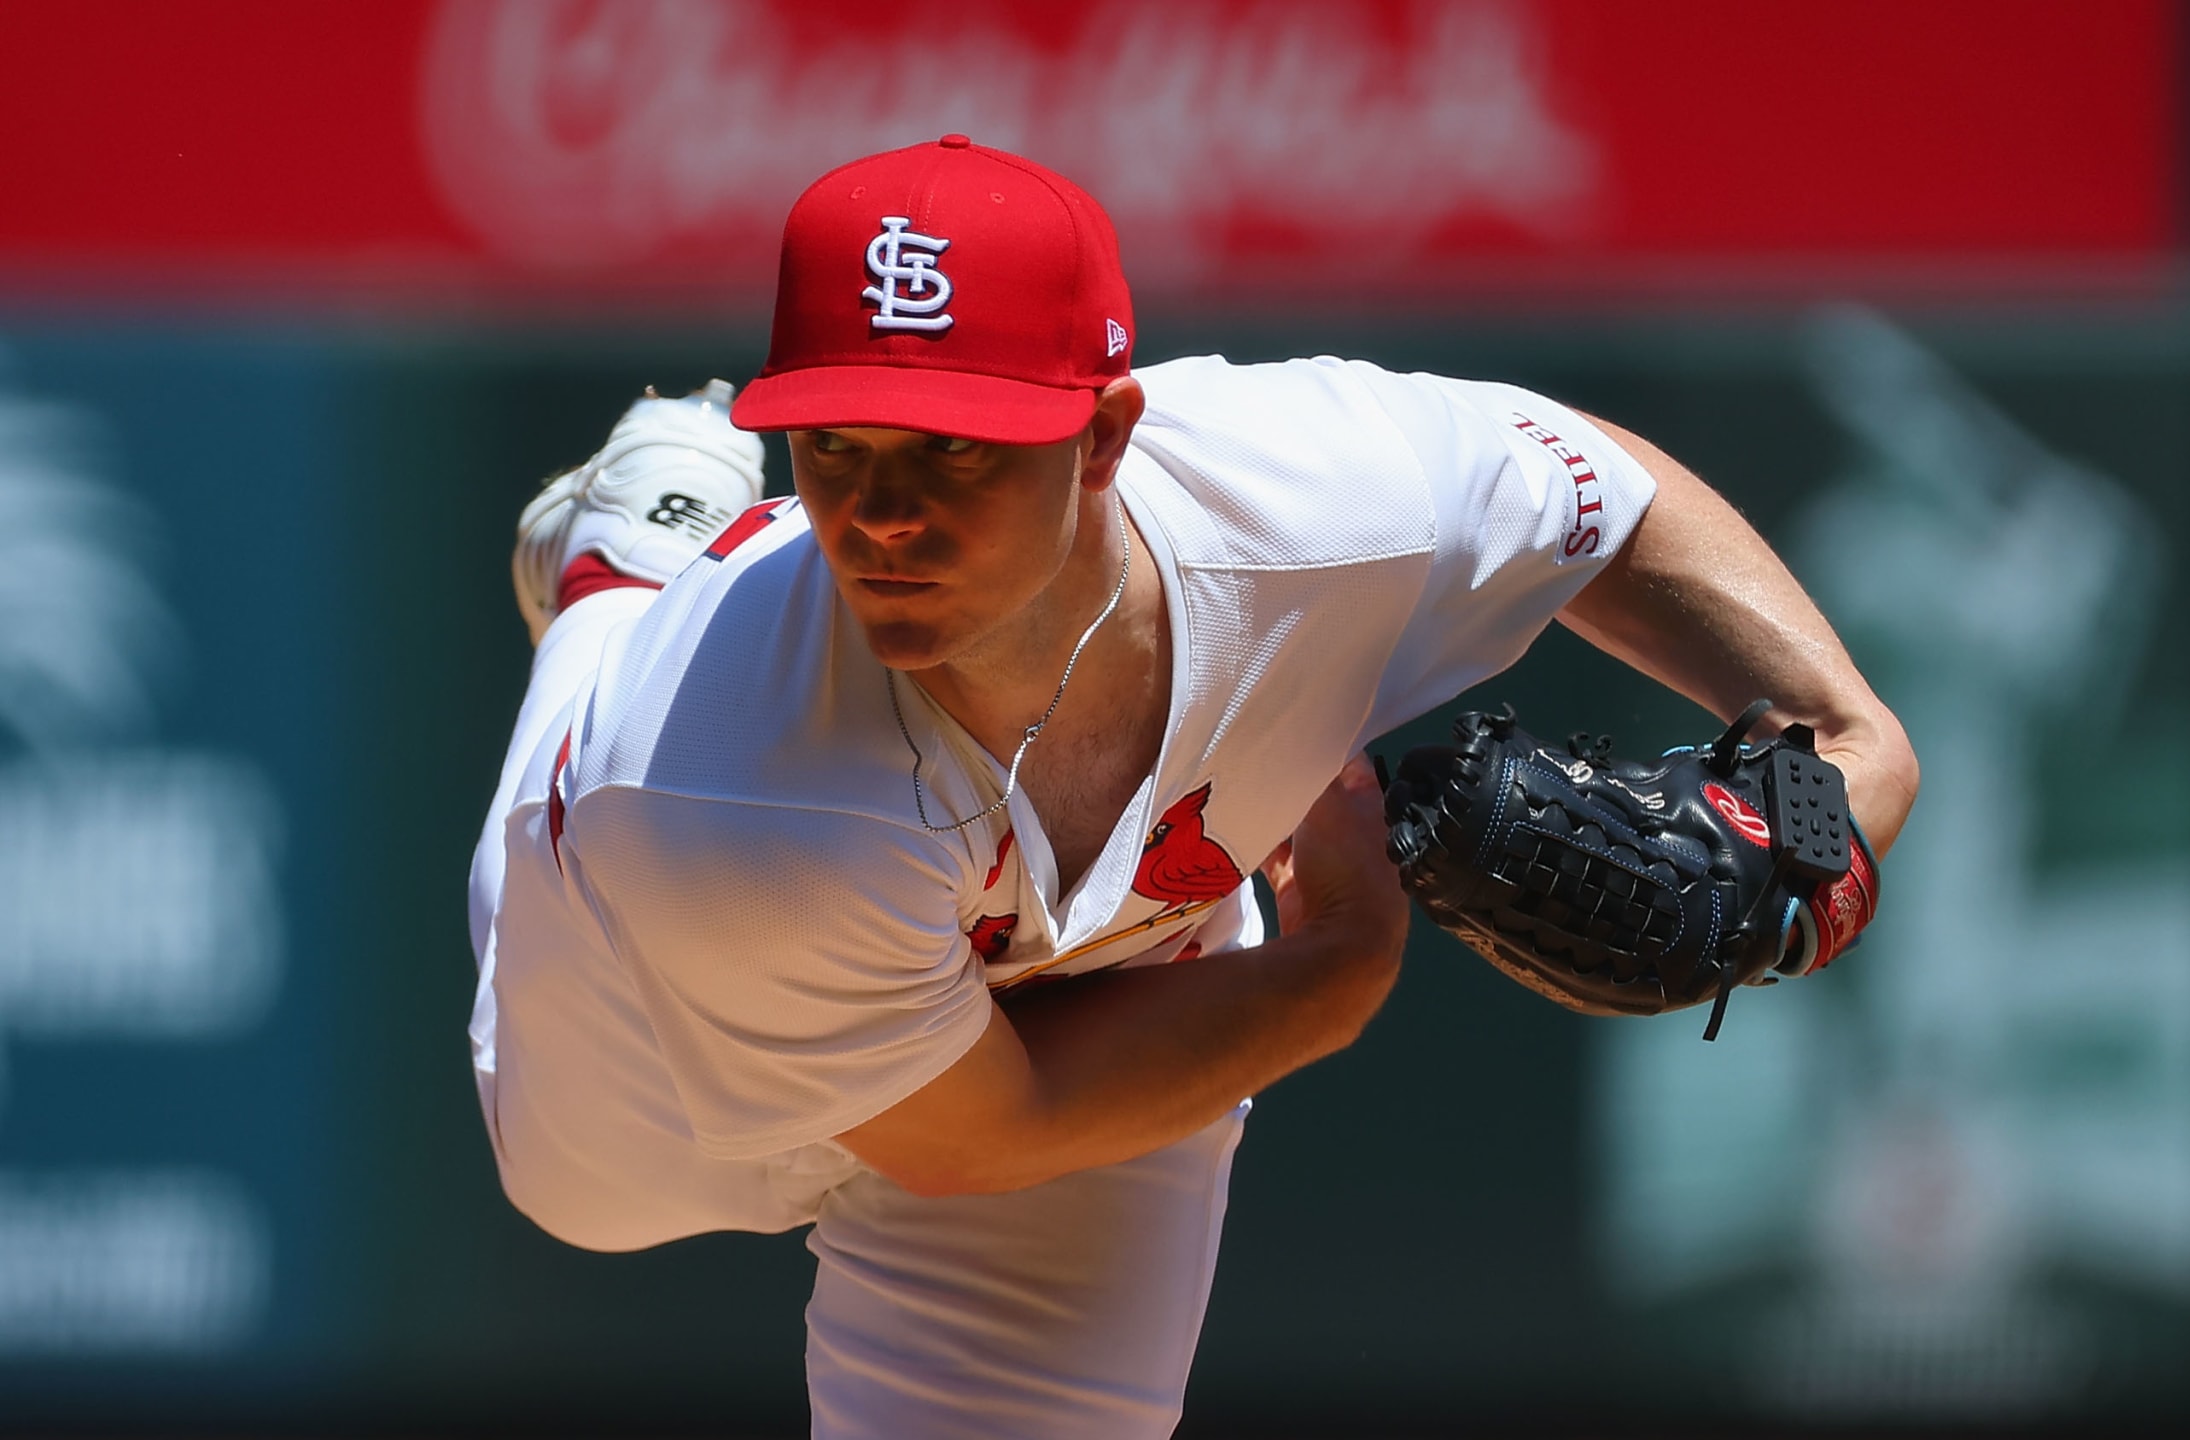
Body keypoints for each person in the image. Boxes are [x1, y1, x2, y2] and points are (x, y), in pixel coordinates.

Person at [466, 135, 1917, 1440]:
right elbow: (984, 1133)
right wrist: (1337, 966)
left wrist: (1848, 754)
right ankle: (630, 555)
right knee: (583, 1180)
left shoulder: (1315, 498)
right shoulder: (730, 804)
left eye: (956, 447)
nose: (884, 511)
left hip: (1103, 994)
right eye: (834, 443)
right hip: (635, 1036)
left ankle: (666, 548)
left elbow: (1608, 495)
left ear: (1105, 433)